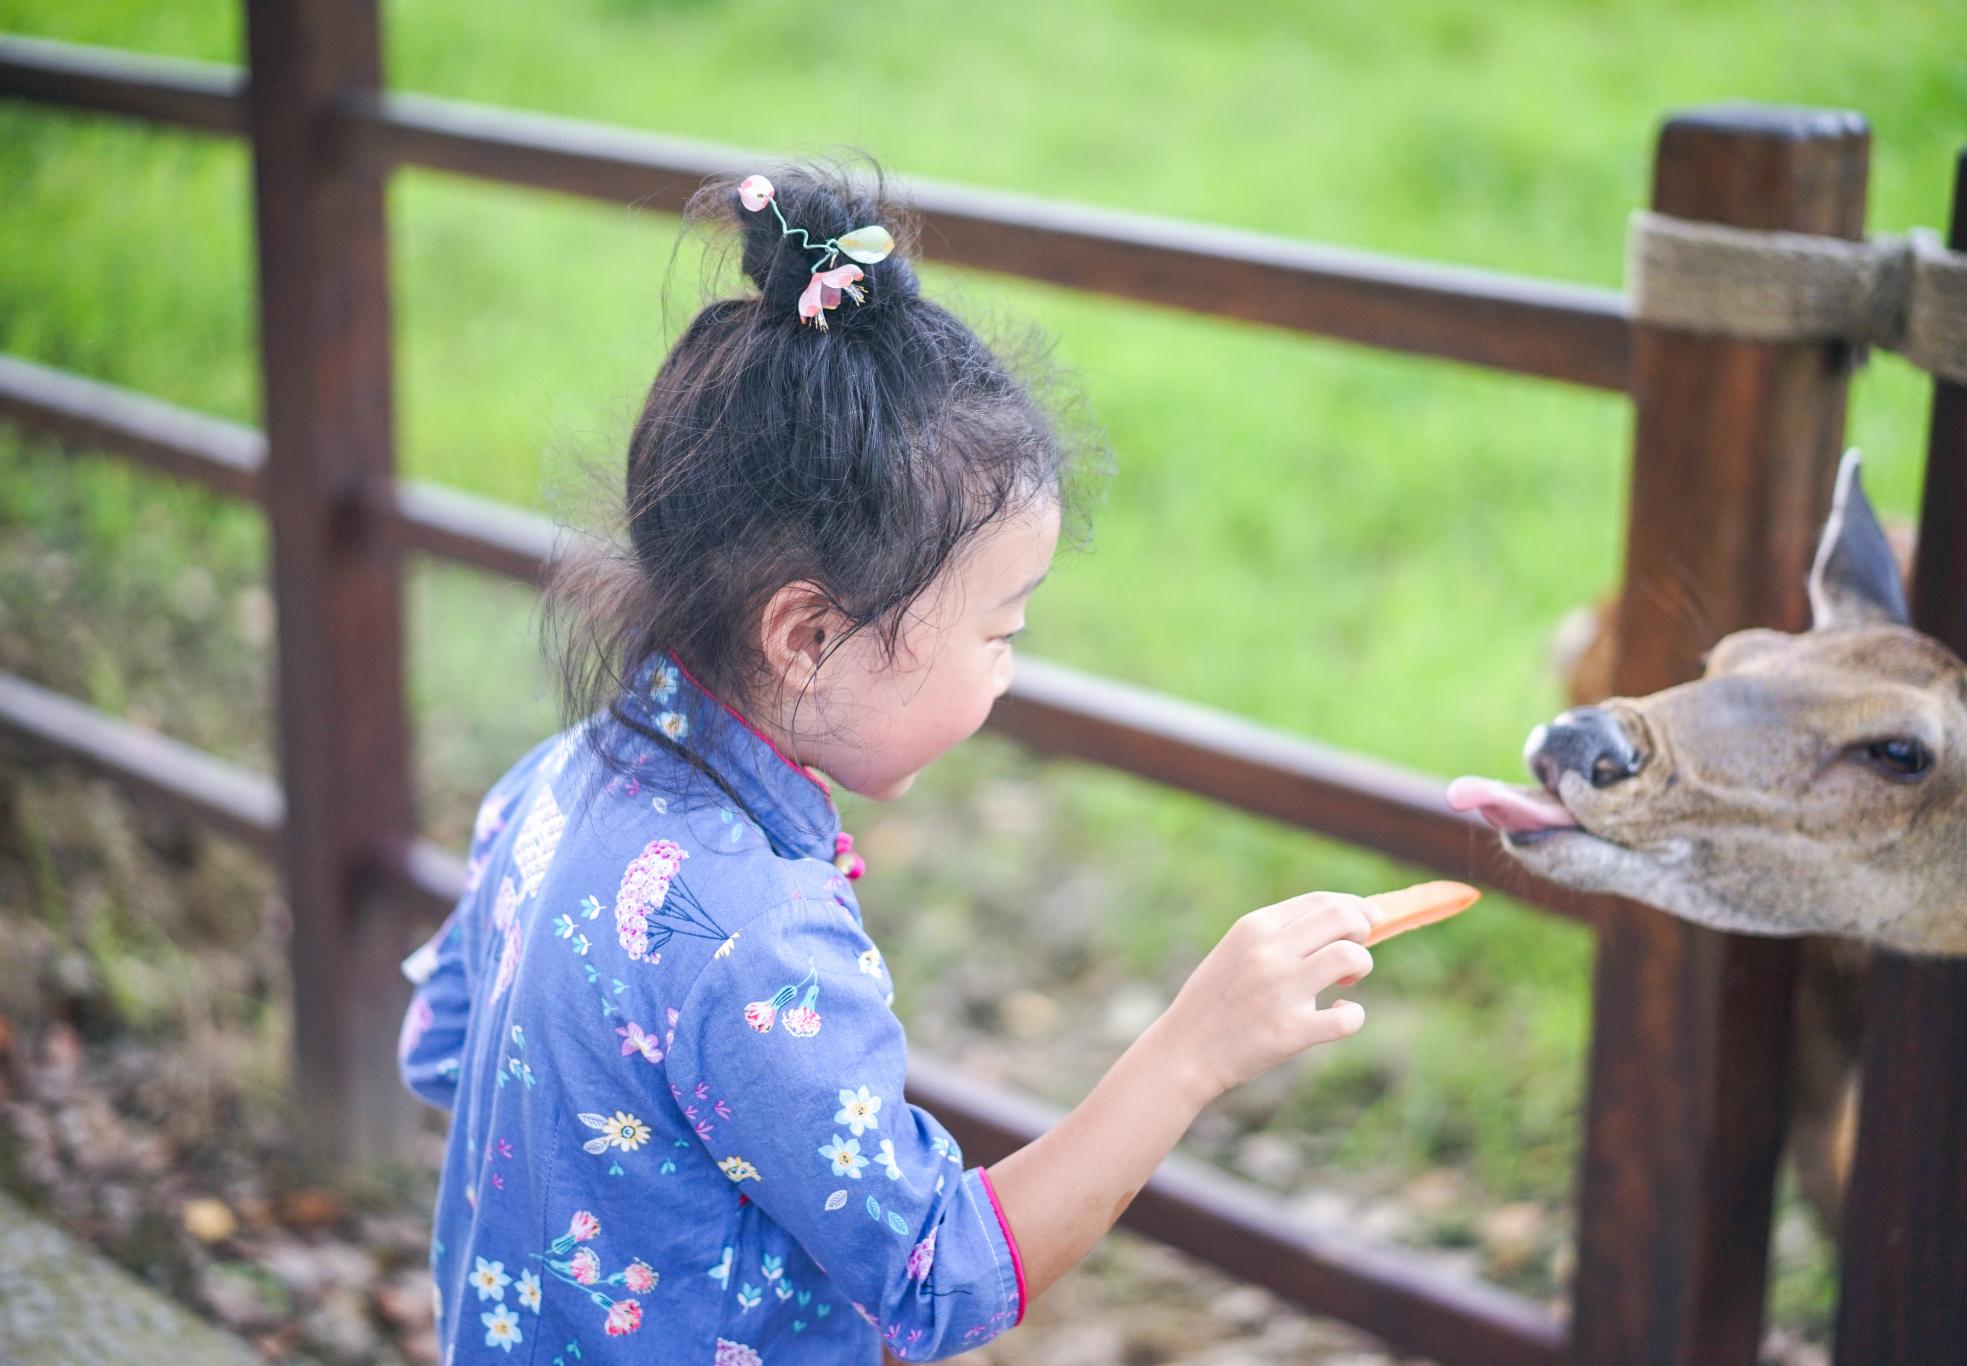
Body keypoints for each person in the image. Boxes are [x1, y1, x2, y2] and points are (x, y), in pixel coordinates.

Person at [397, 160, 1451, 1363]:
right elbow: (932, 1278)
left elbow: (441, 1047)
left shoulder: (559, 776)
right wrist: (1192, 1048)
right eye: (998, 630)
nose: (1008, 669)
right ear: (808, 636)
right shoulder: (755, 938)